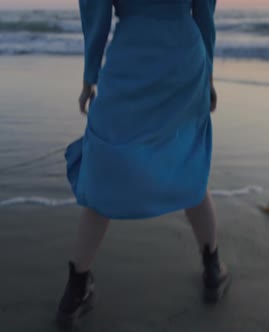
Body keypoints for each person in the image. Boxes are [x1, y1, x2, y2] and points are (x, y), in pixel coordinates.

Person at [56, 0, 231, 328]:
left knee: (106, 167)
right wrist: (207, 77)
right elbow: (205, 16)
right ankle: (212, 269)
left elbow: (95, 13)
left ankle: (76, 289)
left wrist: (89, 75)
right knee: (187, 163)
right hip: (184, 60)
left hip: (131, 59)